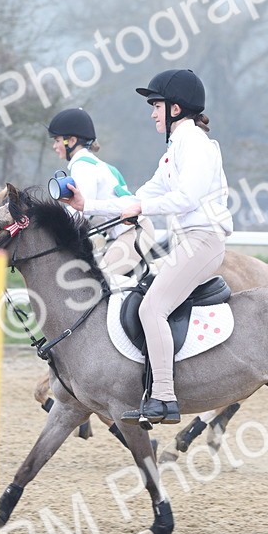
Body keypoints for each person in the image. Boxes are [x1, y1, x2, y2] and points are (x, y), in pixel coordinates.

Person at [59, 69, 232, 423]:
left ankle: (165, 398)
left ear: (176, 109)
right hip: (186, 241)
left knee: (152, 308)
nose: (152, 112)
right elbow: (138, 198)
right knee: (139, 297)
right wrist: (85, 206)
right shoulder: (173, 151)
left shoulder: (195, 143)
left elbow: (186, 198)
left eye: (156, 105)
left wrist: (142, 208)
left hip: (203, 240)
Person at [47, 107, 155, 279]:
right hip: (124, 233)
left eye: (57, 140)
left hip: (132, 232)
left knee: (98, 283)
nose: (54, 146)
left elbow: (79, 213)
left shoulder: (82, 167)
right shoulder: (93, 163)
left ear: (72, 140)